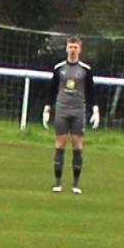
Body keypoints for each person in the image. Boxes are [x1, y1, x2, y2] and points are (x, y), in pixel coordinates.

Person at [43, 36, 99, 194]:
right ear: (66, 48)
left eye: (75, 47)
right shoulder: (59, 68)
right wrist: (47, 108)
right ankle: (58, 182)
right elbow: (52, 90)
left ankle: (75, 183)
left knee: (77, 144)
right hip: (62, 109)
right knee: (60, 144)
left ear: (80, 49)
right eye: (70, 47)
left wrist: (95, 109)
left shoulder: (86, 70)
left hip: (78, 110)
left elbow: (91, 91)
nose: (73, 50)